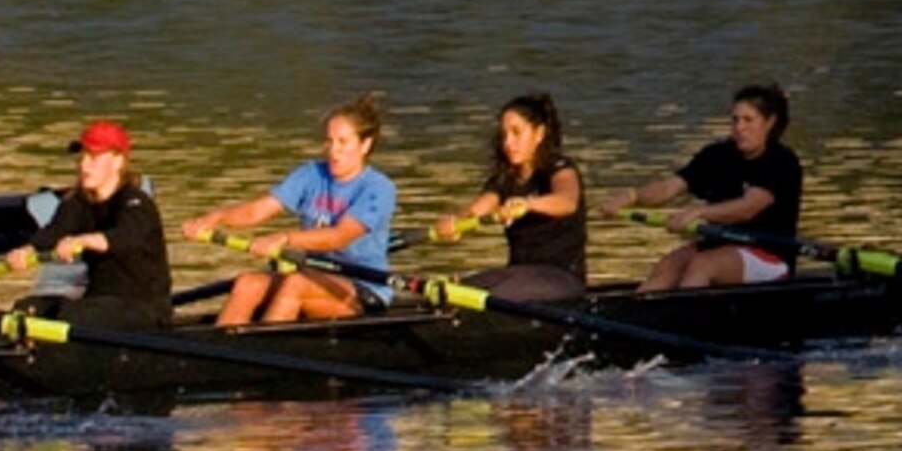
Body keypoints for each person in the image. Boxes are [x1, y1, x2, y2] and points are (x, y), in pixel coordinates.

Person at [189, 95, 397, 328]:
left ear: (365, 145)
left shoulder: (378, 188)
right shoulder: (311, 174)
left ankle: (264, 357)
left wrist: (285, 238)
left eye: (342, 142)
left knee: (295, 283)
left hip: (362, 288)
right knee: (247, 283)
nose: (333, 151)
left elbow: (340, 236)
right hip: (311, 277)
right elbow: (257, 210)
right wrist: (216, 218)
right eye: (329, 141)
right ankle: (221, 354)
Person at [605, 84, 805, 293]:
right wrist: (631, 196)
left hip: (769, 255)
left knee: (703, 265)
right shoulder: (717, 155)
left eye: (748, 120)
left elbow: (748, 208)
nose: (739, 128)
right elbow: (669, 187)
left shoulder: (781, 162)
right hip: (719, 246)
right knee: (671, 264)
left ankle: (685, 320)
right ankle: (636, 313)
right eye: (735, 120)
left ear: (770, 122)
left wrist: (699, 212)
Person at [4, 120, 174, 330]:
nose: (84, 165)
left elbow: (122, 238)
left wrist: (82, 240)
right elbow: (53, 233)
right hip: (99, 302)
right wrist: (26, 251)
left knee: (74, 317)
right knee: (25, 309)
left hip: (144, 309)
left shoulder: (135, 203)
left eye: (93, 157)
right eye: (82, 156)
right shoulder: (79, 202)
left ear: (118, 161)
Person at [434, 93, 588, 303]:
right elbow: (475, 210)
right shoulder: (505, 179)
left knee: (486, 300)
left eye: (516, 133)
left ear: (539, 133)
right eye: (504, 135)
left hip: (561, 278)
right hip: (519, 274)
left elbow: (567, 201)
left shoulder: (559, 168)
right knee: (449, 292)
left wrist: (528, 204)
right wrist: (455, 221)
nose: (508, 143)